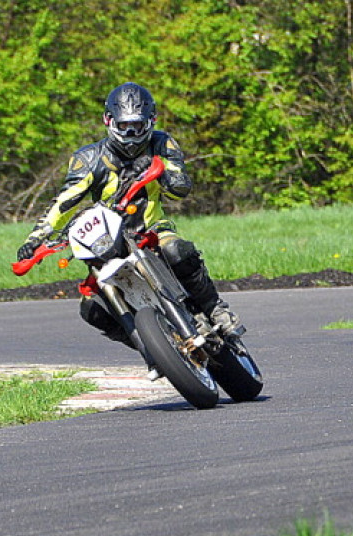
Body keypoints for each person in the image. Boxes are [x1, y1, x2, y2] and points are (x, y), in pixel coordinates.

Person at [16, 82, 240, 346]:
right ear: (109, 121)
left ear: (151, 121)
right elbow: (64, 202)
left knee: (176, 251)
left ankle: (216, 308)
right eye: (124, 126)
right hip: (106, 239)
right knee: (91, 308)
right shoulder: (88, 158)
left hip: (153, 228)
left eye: (138, 125)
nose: (132, 133)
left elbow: (181, 188)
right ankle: (152, 344)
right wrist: (35, 239)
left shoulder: (162, 142)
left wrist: (162, 169)